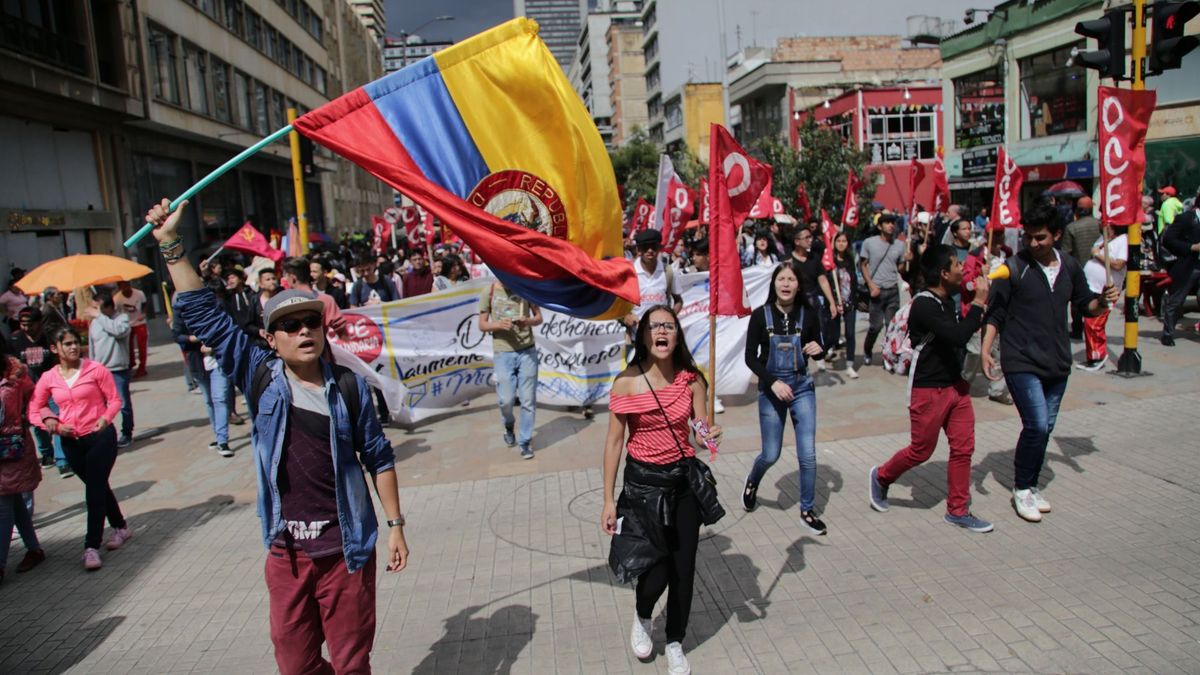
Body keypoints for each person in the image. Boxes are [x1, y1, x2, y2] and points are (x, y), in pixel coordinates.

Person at [147, 198, 410, 674]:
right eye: (289, 326)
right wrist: (170, 245)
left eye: (311, 322)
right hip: (286, 553)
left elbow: (379, 457)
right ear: (270, 338)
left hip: (346, 550)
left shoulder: (349, 387)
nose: (303, 331)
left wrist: (395, 527)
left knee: (352, 664)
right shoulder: (260, 377)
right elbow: (206, 316)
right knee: (296, 664)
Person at [982, 202, 1121, 523]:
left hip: (1057, 362)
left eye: (1041, 237)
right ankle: (1022, 488)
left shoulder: (1070, 266)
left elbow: (1085, 305)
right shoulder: (1013, 267)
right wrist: (986, 350)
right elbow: (995, 312)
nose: (1033, 243)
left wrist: (1102, 302)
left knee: (1046, 428)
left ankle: (1031, 485)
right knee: (1036, 424)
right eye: (1029, 237)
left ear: (1057, 235)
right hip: (1020, 360)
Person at [601, 305, 721, 675]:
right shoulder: (626, 382)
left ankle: (674, 642)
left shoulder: (692, 380)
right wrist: (607, 500)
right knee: (654, 570)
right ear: (644, 336)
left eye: (669, 325)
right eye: (654, 326)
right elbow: (614, 442)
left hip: (682, 485)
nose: (662, 332)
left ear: (677, 334)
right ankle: (643, 615)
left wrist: (710, 435)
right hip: (643, 489)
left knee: (683, 570)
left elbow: (700, 434)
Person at [868, 245, 994, 532]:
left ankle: (958, 510)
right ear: (943, 273)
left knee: (963, 448)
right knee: (921, 450)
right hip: (928, 390)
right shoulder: (924, 305)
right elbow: (958, 336)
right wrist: (978, 303)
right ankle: (882, 476)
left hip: (956, 386)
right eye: (957, 265)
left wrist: (980, 299)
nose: (962, 269)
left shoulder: (947, 300)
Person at [30, 324, 131, 570]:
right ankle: (121, 527)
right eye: (67, 344)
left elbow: (115, 399)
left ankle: (91, 547)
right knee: (98, 486)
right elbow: (35, 408)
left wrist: (105, 418)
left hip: (100, 437)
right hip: (71, 442)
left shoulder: (95, 369)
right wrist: (52, 424)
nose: (74, 347)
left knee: (94, 491)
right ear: (55, 348)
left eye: (76, 342)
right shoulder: (49, 378)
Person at [741, 261, 827, 534]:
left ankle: (807, 510)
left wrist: (819, 348)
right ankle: (753, 480)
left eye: (791, 279)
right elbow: (750, 358)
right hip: (771, 389)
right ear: (774, 283)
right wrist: (773, 382)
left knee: (808, 454)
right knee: (770, 454)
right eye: (781, 279)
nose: (786, 284)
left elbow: (821, 345)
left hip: (802, 387)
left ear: (798, 285)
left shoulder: (808, 313)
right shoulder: (760, 315)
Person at [479, 282, 542, 459]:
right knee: (505, 400)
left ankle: (525, 441)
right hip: (503, 352)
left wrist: (527, 321)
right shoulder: (489, 291)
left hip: (527, 350)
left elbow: (539, 317)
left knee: (528, 399)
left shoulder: (525, 287)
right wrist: (498, 325)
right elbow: (482, 324)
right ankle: (508, 424)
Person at [0, 337, 45, 583]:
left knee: (4, 504)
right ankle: (34, 549)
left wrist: (25, 420)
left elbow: (36, 397)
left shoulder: (15, 373)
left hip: (11, 448)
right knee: (14, 500)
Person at [10, 308, 67, 475]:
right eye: (23, 324)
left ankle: (62, 460)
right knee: (38, 424)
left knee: (57, 420)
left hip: (52, 388)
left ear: (39, 323)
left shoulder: (50, 337)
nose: (26, 328)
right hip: (30, 392)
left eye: (30, 324)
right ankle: (47, 453)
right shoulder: (15, 340)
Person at [860, 214, 910, 366]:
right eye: (887, 222)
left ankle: (888, 355)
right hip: (876, 290)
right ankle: (867, 350)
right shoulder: (869, 243)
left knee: (891, 326)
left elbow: (900, 269)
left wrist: (907, 260)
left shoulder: (900, 245)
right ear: (879, 226)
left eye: (893, 222)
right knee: (875, 326)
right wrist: (871, 285)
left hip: (892, 290)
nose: (891, 225)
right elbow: (863, 265)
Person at [88, 293, 134, 448]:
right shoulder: (95, 323)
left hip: (118, 369)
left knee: (123, 403)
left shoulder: (121, 318)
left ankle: (127, 433)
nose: (95, 310)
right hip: (99, 371)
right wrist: (91, 367)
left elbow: (119, 331)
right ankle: (104, 434)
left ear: (108, 307)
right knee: (100, 405)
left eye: (97, 307)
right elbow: (92, 346)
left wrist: (100, 316)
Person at [1078, 229, 1128, 371]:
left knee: (1094, 324)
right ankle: (1092, 355)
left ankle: (1097, 356)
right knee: (1089, 321)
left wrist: (1097, 254)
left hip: (1108, 290)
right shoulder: (1103, 238)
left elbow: (1118, 265)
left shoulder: (1124, 240)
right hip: (1092, 287)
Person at [1160, 193, 1200, 346]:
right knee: (1177, 301)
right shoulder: (1186, 218)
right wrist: (1191, 247)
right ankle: (1168, 334)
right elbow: (1168, 240)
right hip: (1189, 266)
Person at [1060, 198, 1100, 339]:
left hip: (1079, 270)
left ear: (1077, 210)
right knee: (1095, 300)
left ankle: (1077, 330)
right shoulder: (1100, 225)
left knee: (1076, 302)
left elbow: (1065, 252)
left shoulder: (1072, 227)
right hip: (1098, 270)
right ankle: (1093, 330)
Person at [827, 230, 859, 378]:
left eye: (844, 241)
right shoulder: (830, 261)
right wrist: (833, 301)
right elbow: (826, 283)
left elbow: (854, 281)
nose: (841, 244)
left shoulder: (850, 260)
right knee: (833, 335)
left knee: (850, 334)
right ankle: (826, 351)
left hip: (849, 303)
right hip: (834, 303)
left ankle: (850, 364)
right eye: (838, 241)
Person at [115, 281, 149, 377]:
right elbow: (116, 312)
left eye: (127, 286)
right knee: (127, 345)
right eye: (123, 287)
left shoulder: (139, 293)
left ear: (130, 285)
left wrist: (143, 314)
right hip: (126, 324)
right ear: (119, 288)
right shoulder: (117, 298)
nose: (126, 289)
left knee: (142, 346)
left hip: (139, 322)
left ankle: (142, 367)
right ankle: (131, 363)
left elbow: (145, 304)